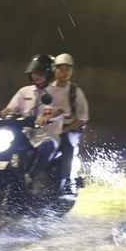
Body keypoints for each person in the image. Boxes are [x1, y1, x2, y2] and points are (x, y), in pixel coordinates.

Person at [0, 54, 63, 179]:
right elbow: (10, 108)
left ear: (49, 74)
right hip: (24, 133)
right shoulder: (24, 91)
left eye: (40, 72)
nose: (36, 76)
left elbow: (58, 111)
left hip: (47, 135)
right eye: (34, 72)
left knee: (48, 146)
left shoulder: (57, 93)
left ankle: (30, 177)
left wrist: (46, 118)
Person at [48, 53, 89, 196]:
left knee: (67, 147)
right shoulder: (47, 89)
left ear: (71, 71)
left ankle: (65, 181)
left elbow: (82, 118)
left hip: (69, 130)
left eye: (67, 69)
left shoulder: (75, 92)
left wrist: (64, 130)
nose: (64, 73)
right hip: (47, 129)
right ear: (54, 70)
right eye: (61, 69)